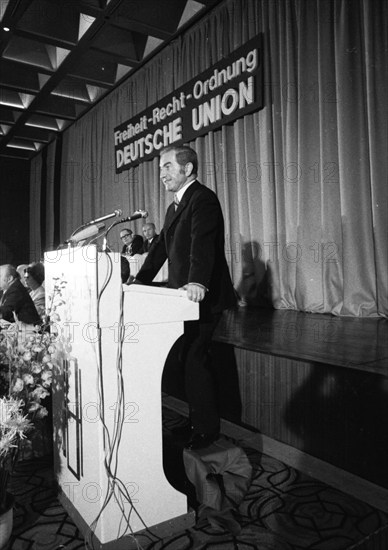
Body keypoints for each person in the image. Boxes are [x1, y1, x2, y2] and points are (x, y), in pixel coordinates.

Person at [134, 145, 237, 450]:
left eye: (167, 166)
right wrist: (139, 281)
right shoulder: (174, 207)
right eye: (161, 168)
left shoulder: (202, 198)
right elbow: (161, 249)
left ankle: (206, 430)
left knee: (194, 360)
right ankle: (197, 423)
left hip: (201, 296)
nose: (161, 173)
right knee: (187, 360)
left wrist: (197, 281)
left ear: (187, 169)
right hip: (182, 299)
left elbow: (202, 244)